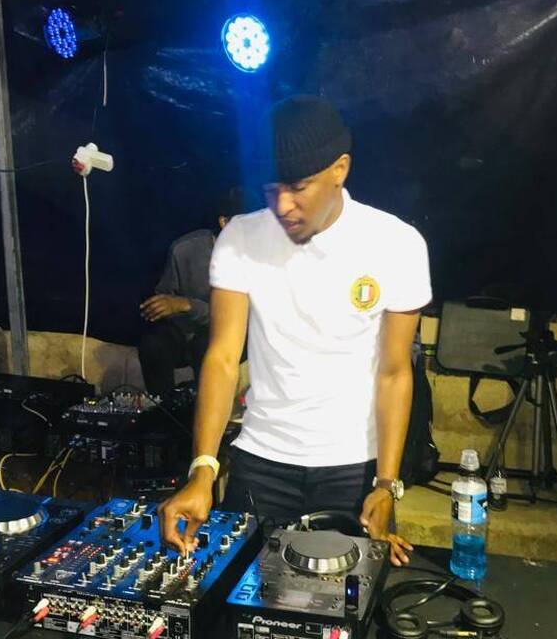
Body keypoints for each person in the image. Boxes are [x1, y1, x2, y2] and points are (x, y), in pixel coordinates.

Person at [158, 96, 432, 566]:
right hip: (260, 462)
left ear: (340, 169)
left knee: (344, 599)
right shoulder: (240, 238)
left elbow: (394, 372)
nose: (283, 205)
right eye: (271, 190)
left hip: (354, 467)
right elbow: (222, 357)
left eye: (298, 187)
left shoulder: (396, 245)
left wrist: (387, 484)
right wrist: (203, 467)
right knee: (241, 594)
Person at [138, 188, 243, 401]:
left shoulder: (254, 257)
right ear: (224, 222)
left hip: (228, 333)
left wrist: (187, 305)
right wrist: (160, 307)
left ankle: (206, 412)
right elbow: (167, 296)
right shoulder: (185, 249)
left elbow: (235, 317)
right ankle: (164, 412)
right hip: (184, 330)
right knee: (154, 345)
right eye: (246, 224)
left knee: (205, 346)